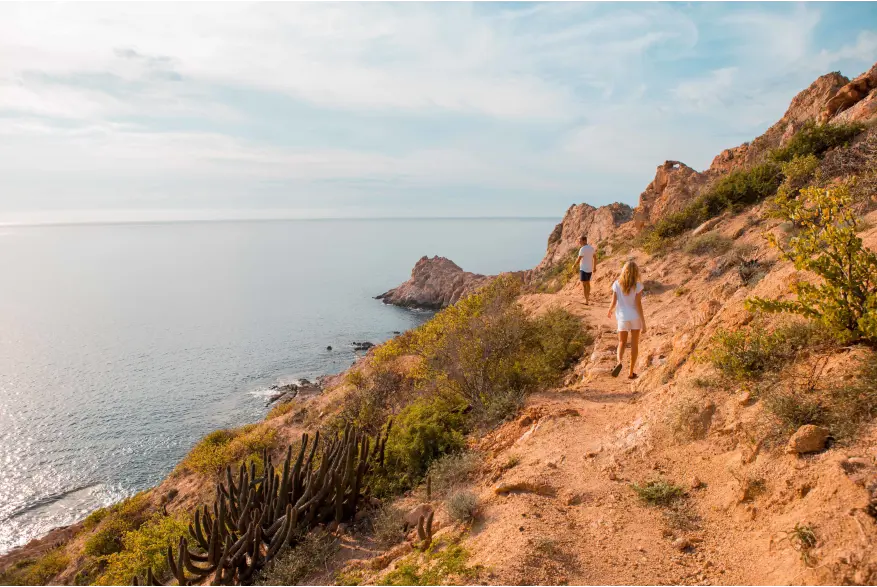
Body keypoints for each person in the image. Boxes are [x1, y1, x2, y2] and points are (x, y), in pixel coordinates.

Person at [606, 260, 646, 380]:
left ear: (624, 271)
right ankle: (631, 372)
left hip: (623, 317)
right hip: (635, 317)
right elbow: (638, 305)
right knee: (634, 344)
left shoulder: (617, 284)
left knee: (622, 342)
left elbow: (613, 301)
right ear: (636, 272)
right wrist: (643, 323)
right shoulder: (638, 286)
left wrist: (610, 310)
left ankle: (619, 362)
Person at [575, 235, 597, 305]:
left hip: (583, 269)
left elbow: (578, 260)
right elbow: (595, 258)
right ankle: (587, 297)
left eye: (580, 240)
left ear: (584, 241)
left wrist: (574, 265)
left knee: (584, 285)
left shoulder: (582, 249)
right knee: (588, 283)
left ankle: (586, 301)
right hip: (590, 269)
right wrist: (594, 267)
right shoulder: (591, 248)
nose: (579, 242)